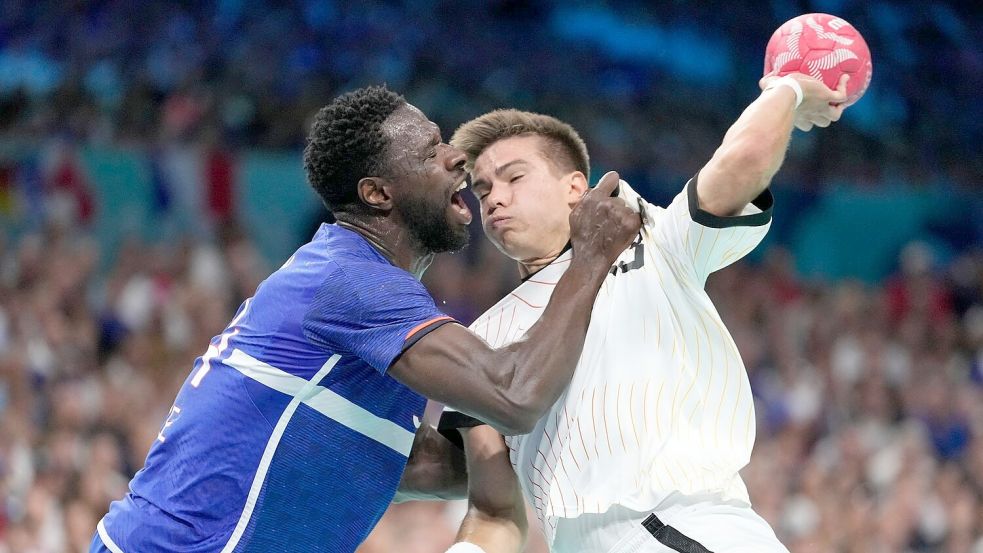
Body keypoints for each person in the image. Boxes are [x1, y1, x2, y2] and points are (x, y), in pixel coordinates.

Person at [90, 86, 641, 553]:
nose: (456, 158)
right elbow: (513, 394)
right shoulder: (354, 282)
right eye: (429, 152)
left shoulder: (357, 292)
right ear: (378, 194)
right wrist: (588, 255)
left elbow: (432, 465)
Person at [438, 72, 851, 552]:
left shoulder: (653, 240)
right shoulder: (482, 338)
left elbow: (742, 161)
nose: (495, 199)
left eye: (514, 177)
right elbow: (492, 512)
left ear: (576, 187)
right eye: (483, 189)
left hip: (681, 525)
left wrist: (788, 89)